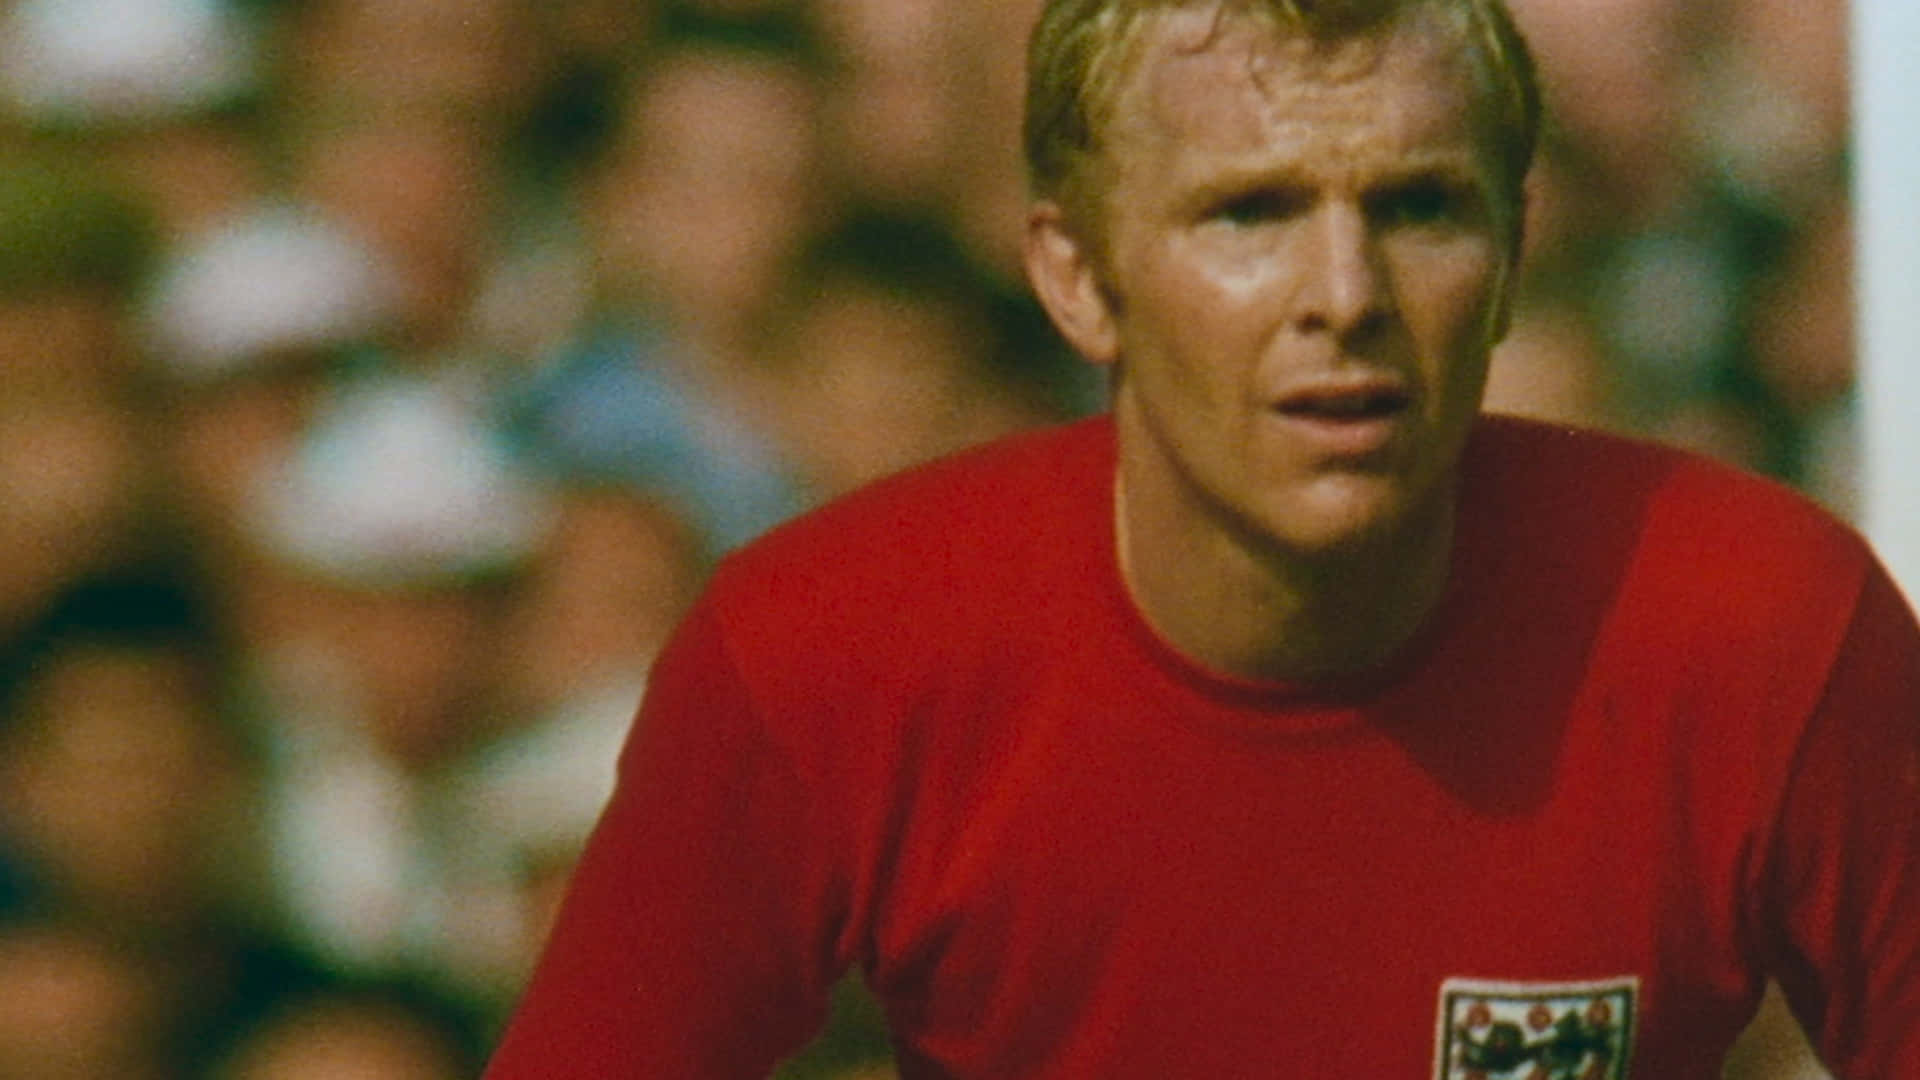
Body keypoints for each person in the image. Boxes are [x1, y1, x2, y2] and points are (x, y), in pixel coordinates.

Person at [484, 0, 1920, 1075]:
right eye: (1251, 214)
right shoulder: (825, 651)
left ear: (1511, 257)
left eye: (1420, 206)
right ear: (1076, 277)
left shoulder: (1764, 624)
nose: (1345, 293)